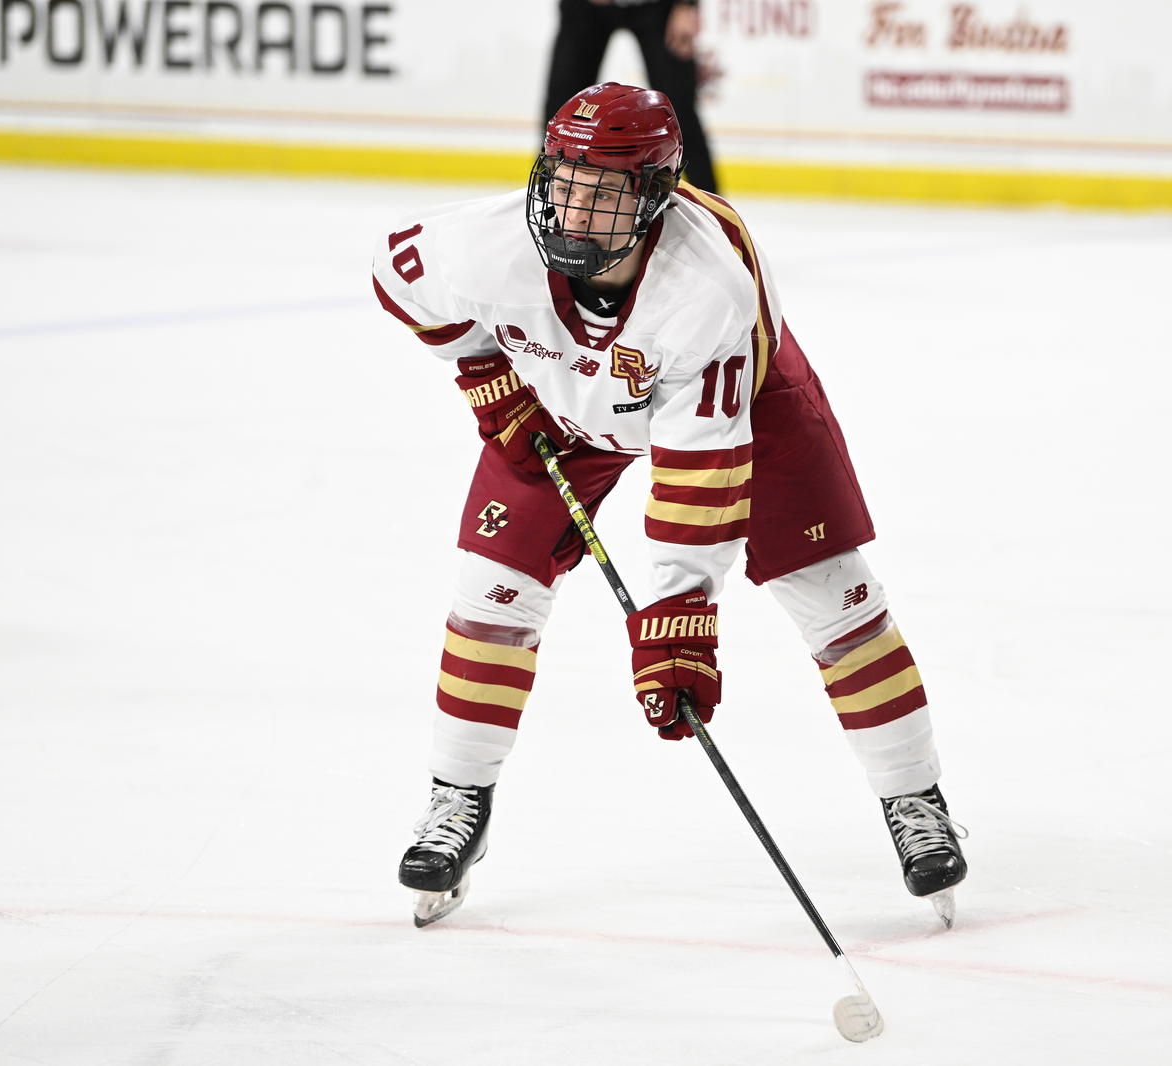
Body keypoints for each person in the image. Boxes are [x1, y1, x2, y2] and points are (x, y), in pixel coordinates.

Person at [372, 82, 965, 929]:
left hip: (746, 405)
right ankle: (457, 799)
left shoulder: (706, 290)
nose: (575, 209)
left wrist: (681, 611)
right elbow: (396, 277)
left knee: (837, 599)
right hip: (558, 401)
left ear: (653, 197)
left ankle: (916, 801)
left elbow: (698, 475)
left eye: (605, 191)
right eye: (566, 180)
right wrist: (482, 370)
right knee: (489, 596)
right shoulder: (485, 245)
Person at [542, 0, 718, 193]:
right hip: (588, 7)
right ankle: (545, 195)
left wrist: (686, 5)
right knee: (561, 108)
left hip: (659, 6)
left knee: (680, 110)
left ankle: (711, 208)